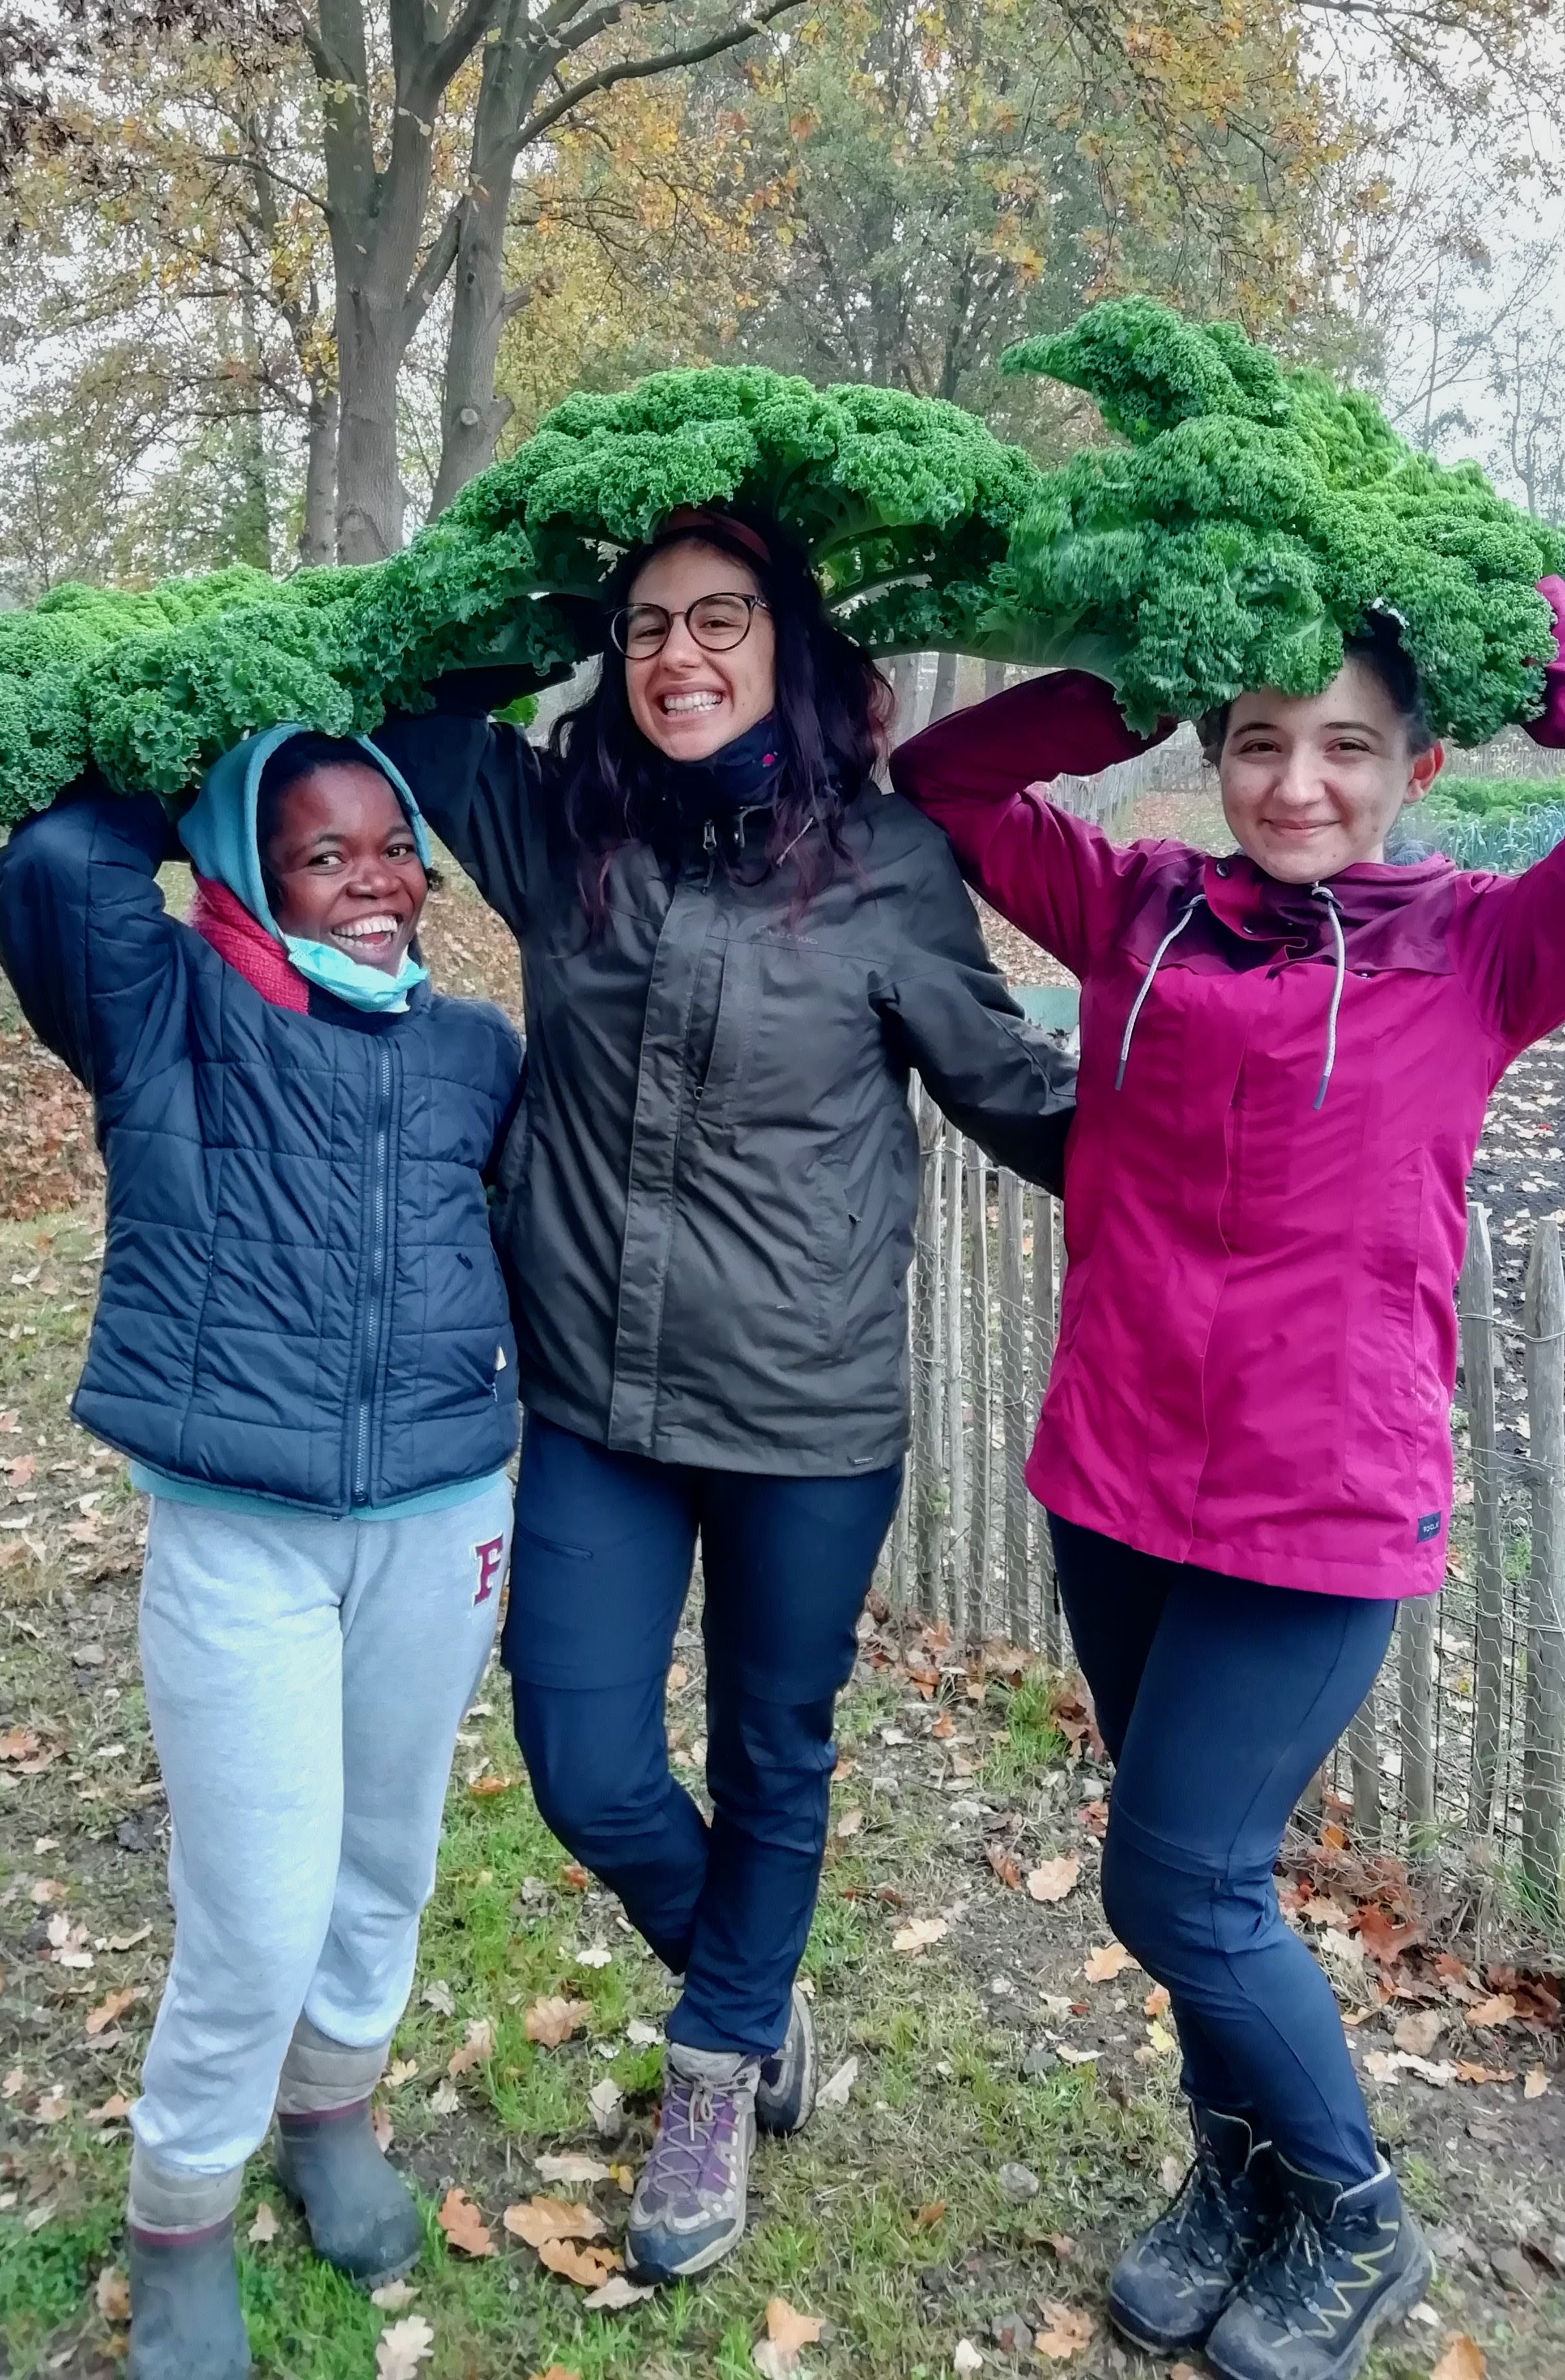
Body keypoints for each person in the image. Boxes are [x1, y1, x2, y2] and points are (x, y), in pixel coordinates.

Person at [891, 579, 1565, 2380]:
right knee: (1204, 1883)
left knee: (1177, 1884)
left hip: (1317, 1509)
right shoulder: (1135, 906)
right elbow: (944, 782)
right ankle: (1237, 2174)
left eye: (1347, 745)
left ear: (1419, 766)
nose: (1298, 783)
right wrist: (1140, 667)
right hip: (1114, 1480)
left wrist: (1485, 595)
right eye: (1258, 741)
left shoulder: (1487, 949)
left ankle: (1354, 2209)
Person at [373, 504, 1074, 2281]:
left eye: (720, 618)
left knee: (774, 1754)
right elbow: (415, 698)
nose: (677, 655)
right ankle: (755, 1995)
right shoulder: (562, 831)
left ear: (793, 643)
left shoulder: (888, 864)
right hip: (595, 1402)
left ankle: (710, 2073)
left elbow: (1008, 1087)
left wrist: (1221, 1125)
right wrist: (561, 583)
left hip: (806, 1413)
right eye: (646, 625)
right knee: (583, 1759)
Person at [0, 729, 523, 2380]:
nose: (373, 883)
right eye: (319, 852)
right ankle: (181, 2208)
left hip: (442, 1514)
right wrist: (210, 726)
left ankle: (333, 2112)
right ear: (242, 865)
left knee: (387, 1860)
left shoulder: (474, 1052)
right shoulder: (164, 1011)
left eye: (392, 844)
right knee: (258, 1907)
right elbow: (58, 866)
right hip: (241, 1536)